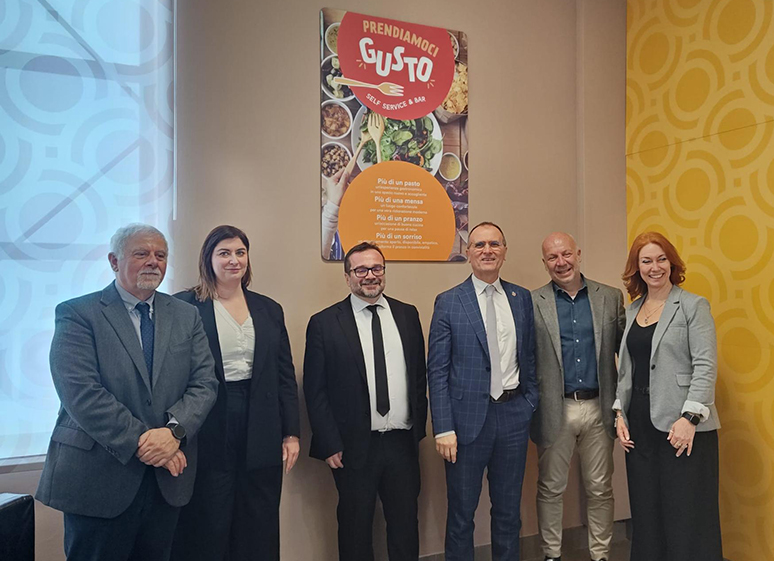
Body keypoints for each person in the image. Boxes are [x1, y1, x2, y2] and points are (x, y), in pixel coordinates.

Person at [36, 224, 218, 561]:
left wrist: (173, 432)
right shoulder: (78, 314)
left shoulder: (186, 315)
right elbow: (81, 392)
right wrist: (146, 441)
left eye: (160, 255)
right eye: (141, 253)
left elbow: (205, 383)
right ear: (114, 261)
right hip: (98, 479)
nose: (153, 261)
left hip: (166, 482)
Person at [169, 225, 301, 561]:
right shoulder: (185, 306)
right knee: (209, 518)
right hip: (209, 419)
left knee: (259, 517)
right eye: (224, 253)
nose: (234, 260)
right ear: (208, 259)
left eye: (240, 252)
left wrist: (291, 433)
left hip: (261, 421)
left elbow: (284, 375)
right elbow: (170, 376)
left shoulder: (269, 308)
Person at [304, 242, 428, 561]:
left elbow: (418, 376)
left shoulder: (407, 314)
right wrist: (329, 442)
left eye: (376, 268)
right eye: (361, 270)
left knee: (405, 525)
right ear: (347, 277)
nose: (370, 275)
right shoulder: (324, 323)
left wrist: (418, 429)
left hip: (401, 443)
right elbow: (315, 391)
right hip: (352, 447)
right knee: (355, 527)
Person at [428, 221, 538, 561]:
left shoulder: (521, 298)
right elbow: (438, 369)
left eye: (494, 244)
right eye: (479, 245)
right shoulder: (449, 302)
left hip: (513, 416)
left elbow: (530, 357)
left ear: (504, 251)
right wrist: (443, 427)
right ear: (468, 252)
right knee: (462, 514)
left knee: (508, 512)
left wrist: (529, 403)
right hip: (465, 424)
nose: (487, 250)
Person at [613, 231, 723, 561]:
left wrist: (690, 418)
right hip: (640, 424)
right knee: (646, 510)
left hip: (682, 426)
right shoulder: (632, 311)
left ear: (672, 263)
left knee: (685, 512)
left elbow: (705, 364)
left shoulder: (692, 306)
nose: (655, 267)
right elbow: (627, 368)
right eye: (646, 261)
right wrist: (619, 413)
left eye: (661, 259)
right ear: (637, 267)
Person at [531, 232, 625, 561]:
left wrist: (623, 407)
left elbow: (627, 356)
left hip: (599, 407)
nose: (561, 262)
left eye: (566, 254)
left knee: (600, 487)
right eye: (552, 257)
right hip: (555, 409)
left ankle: (601, 555)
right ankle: (551, 554)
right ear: (544, 263)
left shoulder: (609, 297)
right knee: (550, 487)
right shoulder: (532, 302)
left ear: (578, 254)